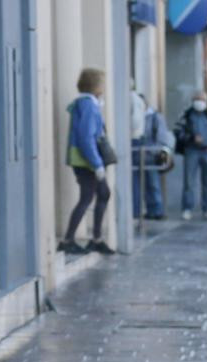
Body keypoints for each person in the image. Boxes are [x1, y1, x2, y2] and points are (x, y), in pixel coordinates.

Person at [60, 68, 115, 255]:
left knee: (102, 193)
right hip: (87, 161)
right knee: (88, 197)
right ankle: (69, 240)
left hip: (84, 159)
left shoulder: (83, 104)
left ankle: (96, 239)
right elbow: (86, 138)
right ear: (96, 86)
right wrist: (97, 164)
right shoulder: (90, 106)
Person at [176, 91, 207, 220]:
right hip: (192, 151)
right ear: (193, 100)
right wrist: (192, 138)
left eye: (202, 99)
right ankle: (187, 208)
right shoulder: (186, 115)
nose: (200, 102)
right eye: (197, 99)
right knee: (189, 181)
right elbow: (178, 132)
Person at [132, 94, 169, 220]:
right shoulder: (135, 116)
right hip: (135, 154)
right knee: (135, 185)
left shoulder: (155, 117)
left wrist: (153, 151)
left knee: (153, 184)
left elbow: (161, 136)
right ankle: (136, 211)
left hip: (150, 155)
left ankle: (156, 210)